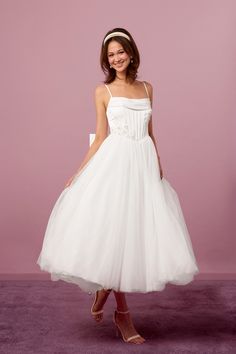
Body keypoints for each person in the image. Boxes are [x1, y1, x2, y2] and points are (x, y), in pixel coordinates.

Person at [37, 28, 199, 345]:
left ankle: (103, 290)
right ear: (106, 60)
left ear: (130, 51)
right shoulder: (103, 91)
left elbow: (151, 133)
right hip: (115, 165)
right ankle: (123, 315)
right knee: (116, 236)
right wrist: (79, 172)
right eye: (110, 55)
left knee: (134, 237)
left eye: (120, 51)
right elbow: (100, 137)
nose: (116, 58)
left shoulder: (147, 88)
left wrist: (158, 163)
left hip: (142, 165)